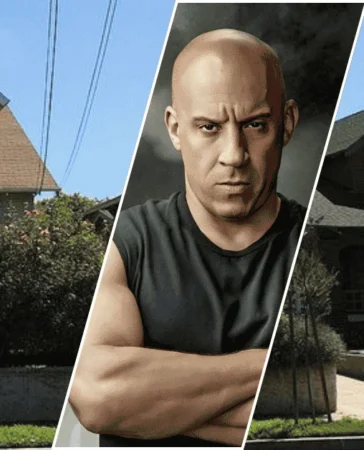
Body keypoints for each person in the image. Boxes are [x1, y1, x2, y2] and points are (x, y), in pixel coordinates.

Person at [68, 29, 305, 447]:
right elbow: (97, 397)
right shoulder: (129, 242)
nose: (234, 154)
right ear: (176, 130)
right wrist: (267, 366)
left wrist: (147, 409)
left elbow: (315, 402)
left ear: (285, 124)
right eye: (210, 127)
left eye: (255, 124)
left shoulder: (309, 245)